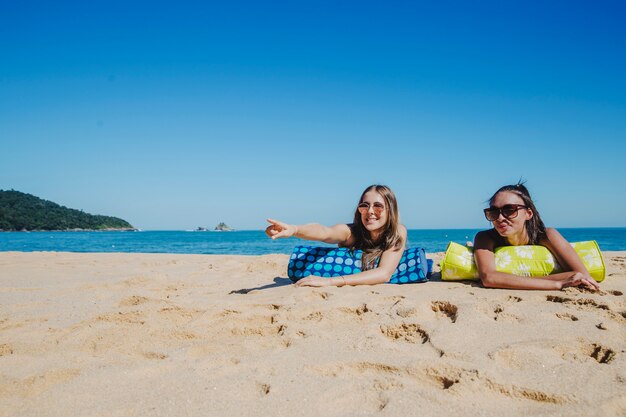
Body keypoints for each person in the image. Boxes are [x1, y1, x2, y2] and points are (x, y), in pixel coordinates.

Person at [265, 185, 407, 287]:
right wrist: (294, 229)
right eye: (364, 205)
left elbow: (384, 273)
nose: (370, 211)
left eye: (378, 206)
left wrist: (330, 281)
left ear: (390, 210)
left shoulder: (397, 231)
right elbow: (324, 232)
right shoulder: (351, 232)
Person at [473, 183, 599, 291]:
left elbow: (581, 276)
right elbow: (489, 278)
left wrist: (510, 279)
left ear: (528, 213)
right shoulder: (485, 238)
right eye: (493, 212)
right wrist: (558, 283)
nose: (500, 218)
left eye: (509, 210)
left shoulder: (546, 235)